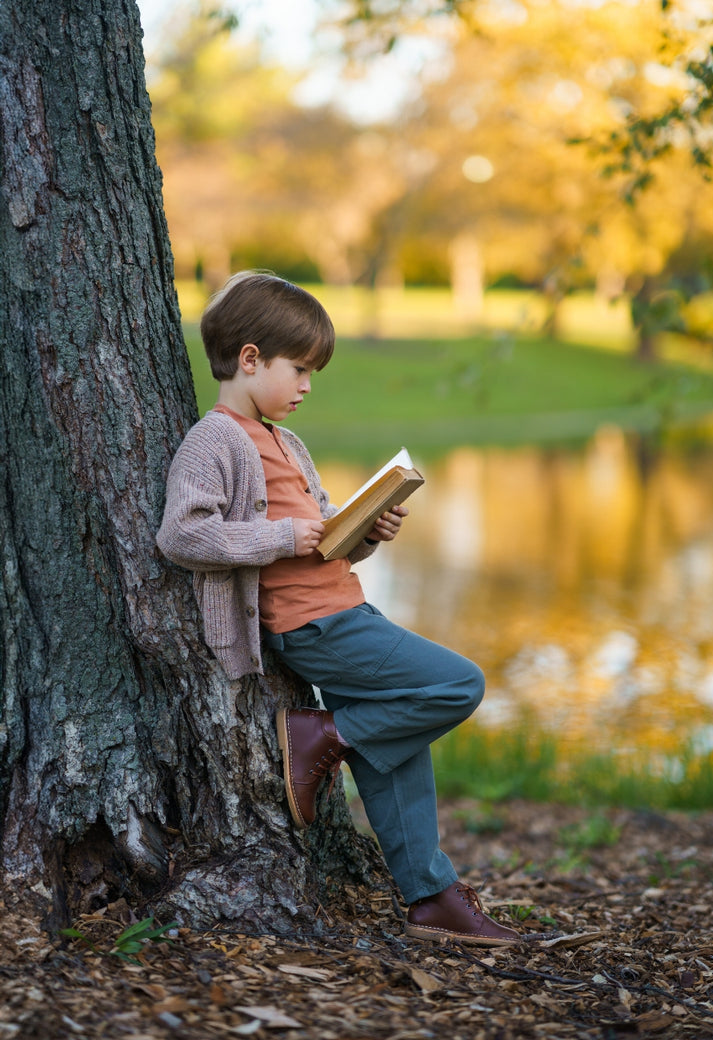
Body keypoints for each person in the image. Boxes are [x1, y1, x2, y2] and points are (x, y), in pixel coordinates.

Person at [156, 271, 518, 947]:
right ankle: (321, 736)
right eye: (299, 370)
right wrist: (281, 536)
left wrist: (365, 533)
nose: (307, 387)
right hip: (312, 629)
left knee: (396, 750)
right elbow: (182, 535)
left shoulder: (289, 444)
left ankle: (431, 896)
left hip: (346, 610)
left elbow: (324, 547)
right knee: (458, 683)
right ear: (250, 358)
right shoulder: (214, 440)